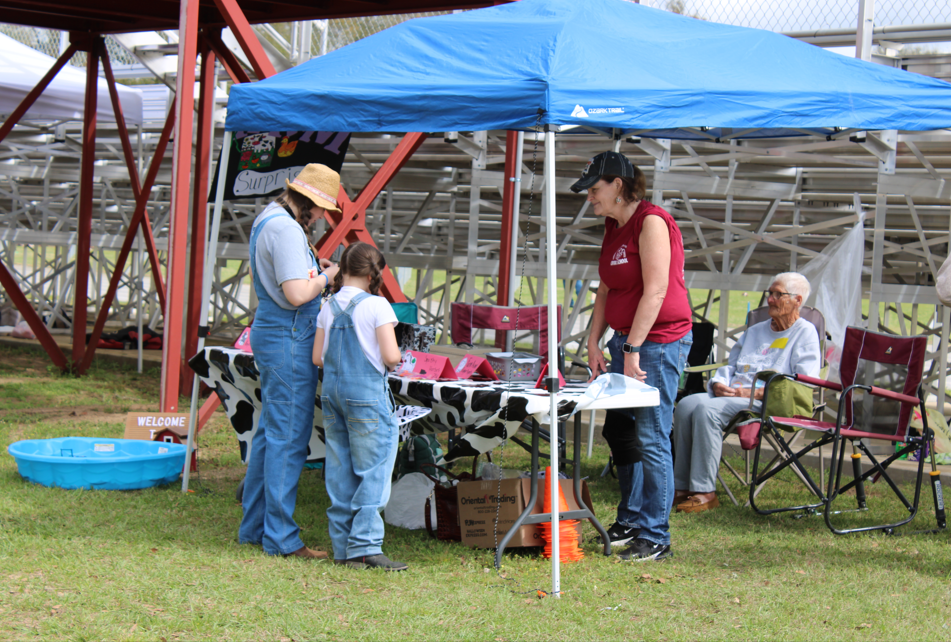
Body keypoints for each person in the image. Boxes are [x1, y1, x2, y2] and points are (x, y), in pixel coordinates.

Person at [575, 151, 693, 563]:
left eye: (594, 189)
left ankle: (655, 535)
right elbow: (607, 289)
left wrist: (632, 348)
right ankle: (631, 520)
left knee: (651, 435)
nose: (590, 198)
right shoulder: (613, 225)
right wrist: (594, 341)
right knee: (620, 433)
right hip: (626, 340)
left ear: (618, 186)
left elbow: (656, 290)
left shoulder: (652, 221)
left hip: (657, 343)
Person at [238, 163, 341, 559]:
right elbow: (298, 293)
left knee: (270, 434)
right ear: (311, 203)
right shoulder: (284, 228)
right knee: (288, 437)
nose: (319, 217)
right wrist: (326, 277)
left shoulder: (270, 217)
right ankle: (280, 538)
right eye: (320, 210)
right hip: (289, 333)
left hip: (277, 330)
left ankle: (256, 528)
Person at [672, 272, 820, 512]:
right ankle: (681, 487)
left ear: (797, 300)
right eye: (769, 293)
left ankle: (704, 492)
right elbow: (731, 365)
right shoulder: (756, 330)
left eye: (777, 294)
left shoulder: (805, 333)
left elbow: (805, 382)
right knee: (687, 405)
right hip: (731, 395)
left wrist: (753, 394)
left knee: (706, 410)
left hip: (768, 401)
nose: (770, 299)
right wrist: (718, 383)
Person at [312, 242, 405, 570]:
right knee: (374, 470)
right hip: (366, 395)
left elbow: (316, 357)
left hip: (333, 395)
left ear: (344, 267)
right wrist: (399, 358)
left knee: (340, 471)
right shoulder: (378, 306)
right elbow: (391, 357)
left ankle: (342, 547)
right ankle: (365, 546)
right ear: (372, 274)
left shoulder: (328, 305)